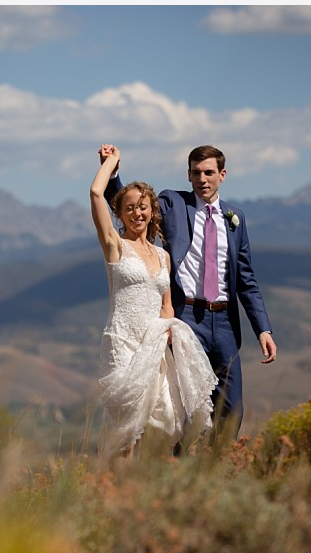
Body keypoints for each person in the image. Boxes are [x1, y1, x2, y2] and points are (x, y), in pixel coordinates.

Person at [105, 144, 276, 445]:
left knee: (231, 408)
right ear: (188, 175)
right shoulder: (173, 204)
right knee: (185, 408)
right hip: (186, 318)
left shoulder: (236, 219)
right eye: (196, 173)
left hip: (225, 323)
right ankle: (179, 470)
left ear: (222, 175)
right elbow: (133, 206)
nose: (203, 179)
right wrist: (113, 173)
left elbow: (246, 279)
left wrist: (262, 328)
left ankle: (216, 470)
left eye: (209, 173)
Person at [91, 144, 217, 465]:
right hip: (123, 343)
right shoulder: (115, 247)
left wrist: (169, 335)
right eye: (129, 207)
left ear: (152, 211)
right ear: (120, 213)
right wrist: (111, 164)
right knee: (127, 432)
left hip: (153, 349)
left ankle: (142, 498)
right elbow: (95, 193)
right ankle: (114, 499)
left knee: (160, 428)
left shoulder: (162, 256)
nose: (137, 213)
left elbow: (167, 306)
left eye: (143, 207)